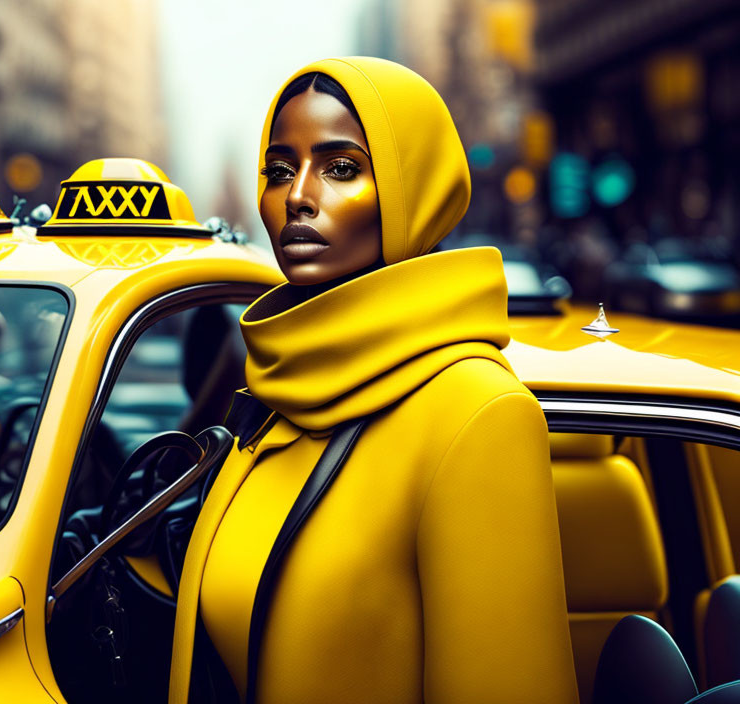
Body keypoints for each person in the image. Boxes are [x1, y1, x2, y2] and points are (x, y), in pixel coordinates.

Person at [169, 57, 578, 704]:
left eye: (340, 168)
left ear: (413, 187)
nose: (297, 195)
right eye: (279, 169)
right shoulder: (285, 387)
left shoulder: (475, 413)